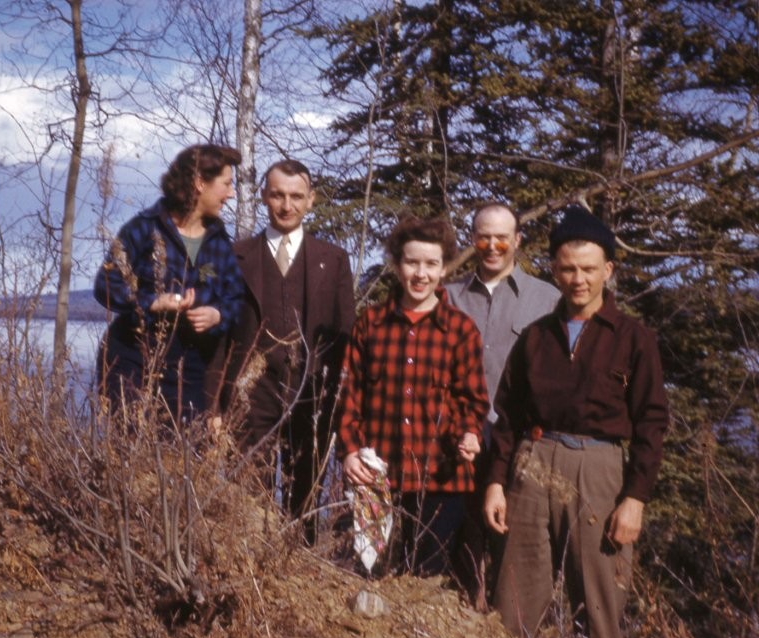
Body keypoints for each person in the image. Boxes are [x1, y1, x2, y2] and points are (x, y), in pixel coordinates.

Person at [483, 206, 669, 638]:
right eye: (567, 269)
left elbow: (651, 421)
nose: (578, 279)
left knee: (601, 600)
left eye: (588, 269)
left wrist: (635, 498)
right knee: (515, 598)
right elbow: (507, 415)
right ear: (554, 270)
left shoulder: (632, 337)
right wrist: (495, 482)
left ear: (608, 269)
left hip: (599, 468)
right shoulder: (535, 337)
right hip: (534, 461)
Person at [340, 216, 489, 576]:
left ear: (443, 268)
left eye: (431, 264)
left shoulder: (460, 330)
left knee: (425, 582)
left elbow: (472, 399)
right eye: (412, 262)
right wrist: (349, 451)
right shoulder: (371, 325)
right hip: (376, 477)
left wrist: (469, 433)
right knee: (370, 574)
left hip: (440, 476)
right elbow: (348, 396)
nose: (421, 274)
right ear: (396, 264)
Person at [222, 159, 355, 543]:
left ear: (311, 200)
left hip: (311, 395)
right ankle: (250, 578)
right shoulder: (236, 256)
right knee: (248, 497)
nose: (286, 205)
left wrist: (341, 406)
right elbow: (221, 339)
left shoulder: (333, 259)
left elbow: (345, 335)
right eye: (278, 194)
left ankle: (302, 571)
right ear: (264, 195)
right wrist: (218, 404)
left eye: (296, 196)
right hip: (251, 396)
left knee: (306, 501)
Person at [444, 203, 560, 604]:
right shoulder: (448, 296)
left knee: (515, 544)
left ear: (517, 241)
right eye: (483, 237)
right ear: (472, 238)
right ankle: (466, 623)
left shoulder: (547, 299)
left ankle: (509, 634)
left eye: (501, 238)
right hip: (460, 441)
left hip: (520, 443)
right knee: (463, 542)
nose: (492, 246)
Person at [94, 143, 245, 422]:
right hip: (131, 362)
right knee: (130, 451)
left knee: (184, 457)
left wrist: (217, 315)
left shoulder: (219, 241)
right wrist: (152, 303)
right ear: (200, 183)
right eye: (226, 184)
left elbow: (236, 299)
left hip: (189, 371)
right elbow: (105, 286)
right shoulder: (143, 228)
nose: (231, 193)